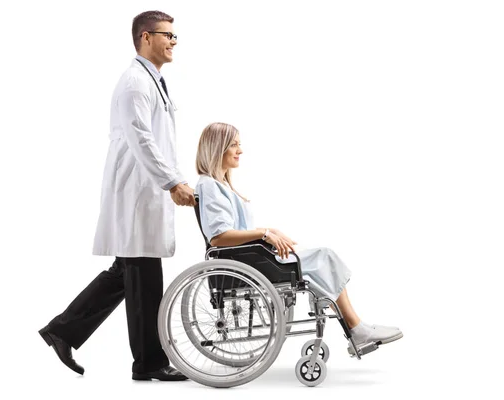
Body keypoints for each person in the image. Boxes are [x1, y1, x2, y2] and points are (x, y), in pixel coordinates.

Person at [38, 10, 195, 381]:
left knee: (126, 272)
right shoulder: (134, 84)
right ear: (145, 37)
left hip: (144, 191)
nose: (173, 41)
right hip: (138, 192)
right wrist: (173, 182)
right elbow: (143, 140)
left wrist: (173, 179)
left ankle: (63, 330)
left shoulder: (152, 80)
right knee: (141, 276)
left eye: (175, 36)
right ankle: (149, 363)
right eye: (167, 35)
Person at [194, 122, 403, 349]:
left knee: (324, 260)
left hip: (250, 257)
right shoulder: (209, 185)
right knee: (325, 257)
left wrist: (270, 231)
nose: (240, 150)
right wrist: (264, 234)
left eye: (239, 145)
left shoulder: (219, 184)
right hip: (245, 261)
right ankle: (356, 328)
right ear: (218, 148)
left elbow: (234, 229)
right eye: (234, 145)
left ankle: (356, 328)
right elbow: (218, 237)